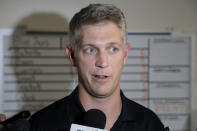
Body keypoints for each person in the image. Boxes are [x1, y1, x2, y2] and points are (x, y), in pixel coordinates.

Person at [29, 3, 165, 131]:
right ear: (72, 56)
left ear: (125, 54)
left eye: (112, 49)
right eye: (90, 50)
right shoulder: (40, 125)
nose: (102, 62)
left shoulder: (150, 125)